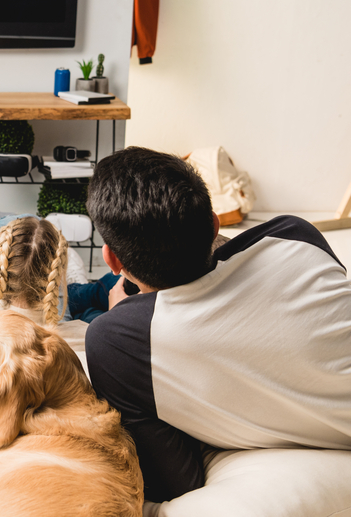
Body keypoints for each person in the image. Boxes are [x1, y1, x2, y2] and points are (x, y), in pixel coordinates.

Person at [83, 147, 351, 503]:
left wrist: (124, 315)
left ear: (112, 259)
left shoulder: (114, 341)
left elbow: (176, 481)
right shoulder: (294, 234)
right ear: (214, 224)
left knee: (82, 301)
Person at [0, 181, 126, 324]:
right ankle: (74, 288)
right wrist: (114, 319)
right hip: (62, 322)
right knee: (36, 235)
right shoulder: (87, 335)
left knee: (23, 233)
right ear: (57, 278)